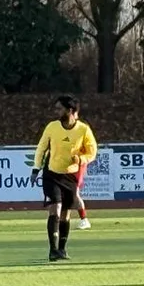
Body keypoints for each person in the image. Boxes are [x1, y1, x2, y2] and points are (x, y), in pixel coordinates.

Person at [31, 95, 97, 260]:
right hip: (51, 173)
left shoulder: (83, 130)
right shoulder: (52, 127)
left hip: (70, 176)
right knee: (56, 207)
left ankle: (61, 249)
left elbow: (92, 152)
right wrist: (35, 168)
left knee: (66, 213)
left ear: (70, 110)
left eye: (60, 108)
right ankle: (52, 250)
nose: (57, 111)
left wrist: (81, 159)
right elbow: (41, 148)